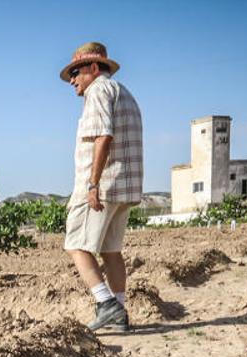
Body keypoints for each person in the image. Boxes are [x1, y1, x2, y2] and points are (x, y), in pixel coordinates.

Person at [59, 41, 143, 332]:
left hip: (102, 186)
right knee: (111, 251)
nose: (72, 80)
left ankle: (105, 303)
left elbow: (103, 137)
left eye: (76, 72)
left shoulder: (97, 92)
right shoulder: (125, 94)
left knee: (75, 245)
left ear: (94, 69)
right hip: (124, 187)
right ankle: (119, 313)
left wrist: (92, 183)